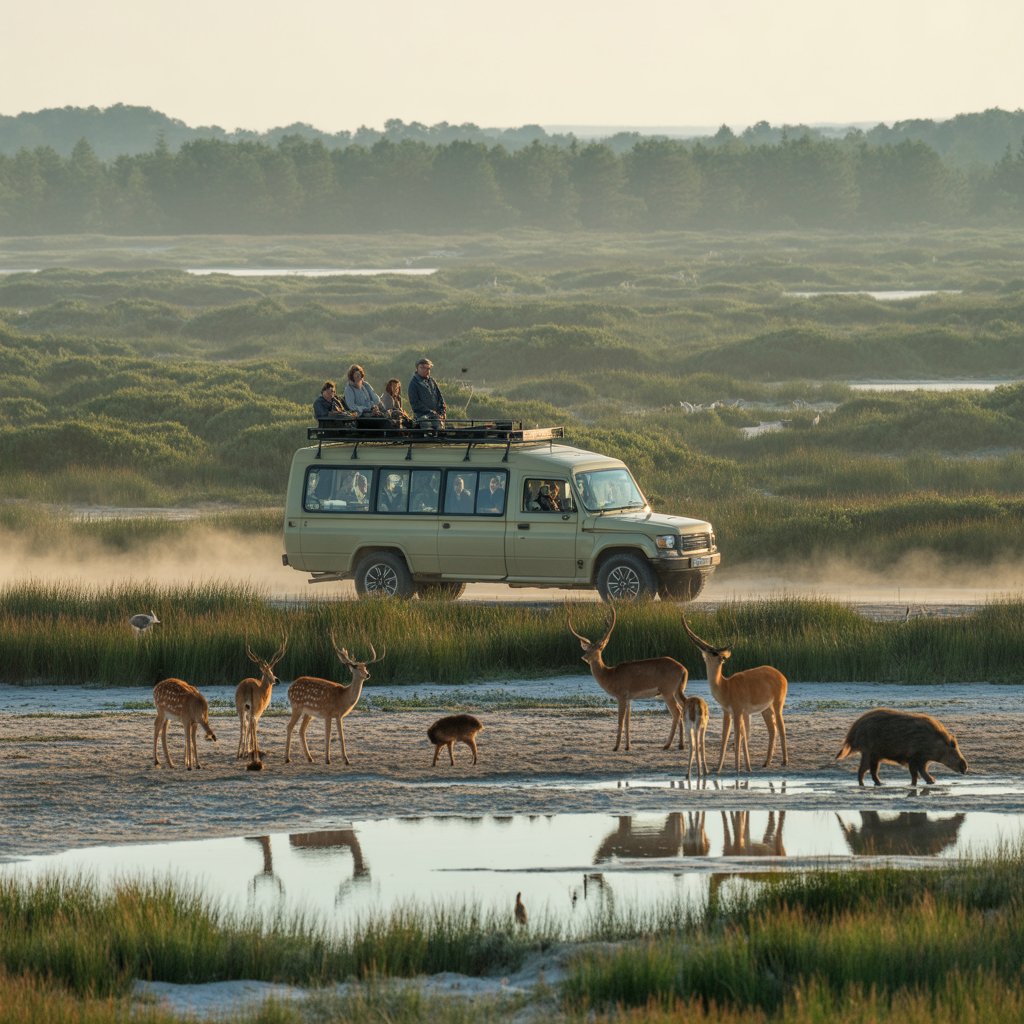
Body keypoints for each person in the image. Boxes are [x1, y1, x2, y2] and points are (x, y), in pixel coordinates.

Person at [409, 357, 446, 430]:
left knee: (441, 431)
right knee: (428, 429)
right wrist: (431, 412)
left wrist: (442, 411)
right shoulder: (414, 383)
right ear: (417, 368)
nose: (425, 370)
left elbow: (440, 397)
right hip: (422, 416)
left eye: (428, 368)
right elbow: (415, 403)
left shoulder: (432, 381)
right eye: (422, 368)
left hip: (436, 416)